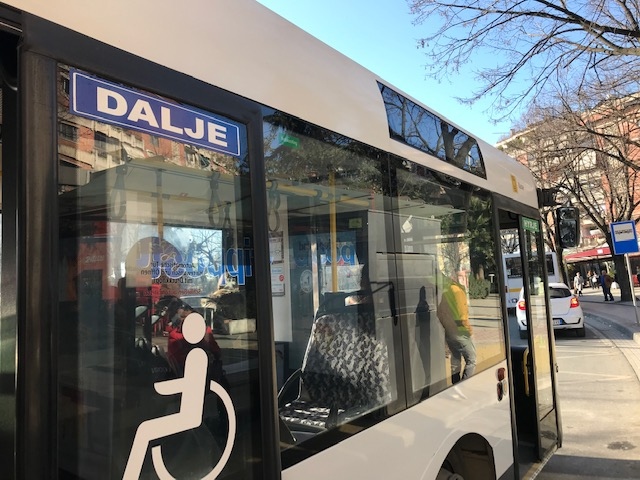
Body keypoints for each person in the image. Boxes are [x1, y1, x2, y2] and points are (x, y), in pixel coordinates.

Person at [437, 276, 476, 384]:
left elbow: (439, 312)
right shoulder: (458, 291)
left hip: (450, 332)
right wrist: (469, 332)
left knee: (455, 360)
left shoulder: (446, 292)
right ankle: (462, 385)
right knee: (471, 360)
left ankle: (455, 385)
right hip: (461, 332)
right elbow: (462, 316)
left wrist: (447, 327)